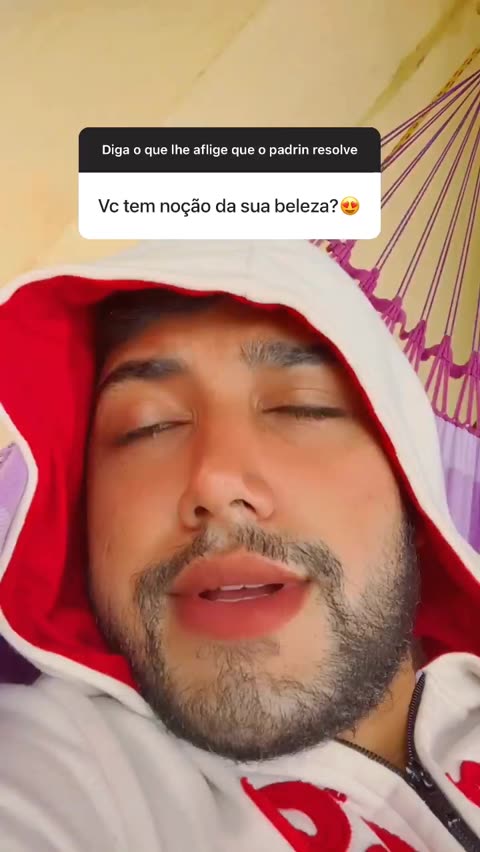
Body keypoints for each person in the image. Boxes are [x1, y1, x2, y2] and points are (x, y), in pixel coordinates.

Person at [0, 240, 479, 852]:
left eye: (300, 408)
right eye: (149, 426)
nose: (217, 483)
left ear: (409, 487)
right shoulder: (67, 775)